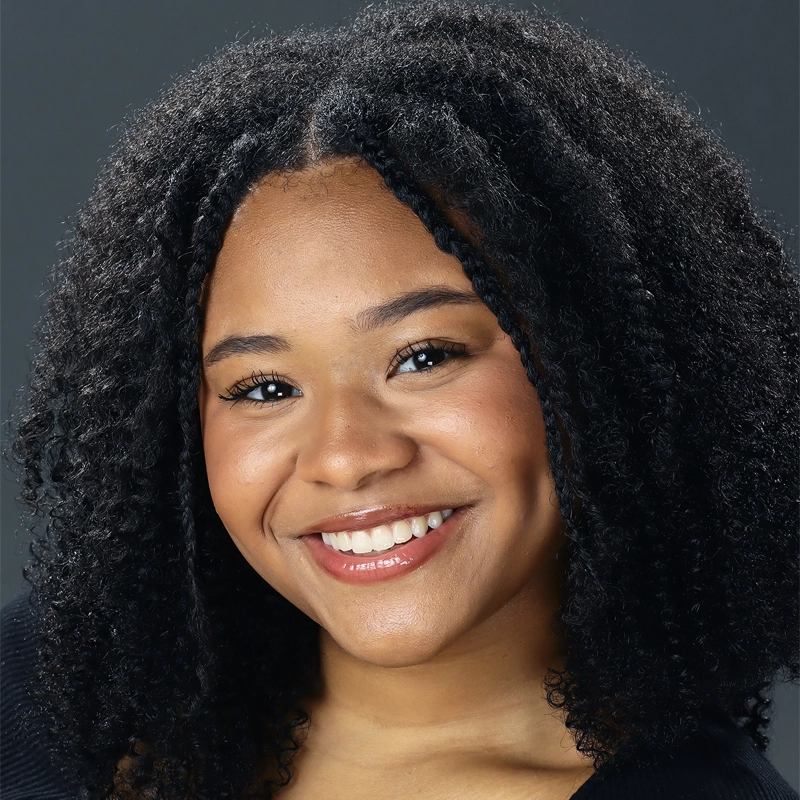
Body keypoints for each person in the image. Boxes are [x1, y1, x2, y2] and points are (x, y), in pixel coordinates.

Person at [1, 1, 797, 798]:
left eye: (423, 357)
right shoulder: (51, 694)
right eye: (265, 387)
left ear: (605, 366)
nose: (346, 456)